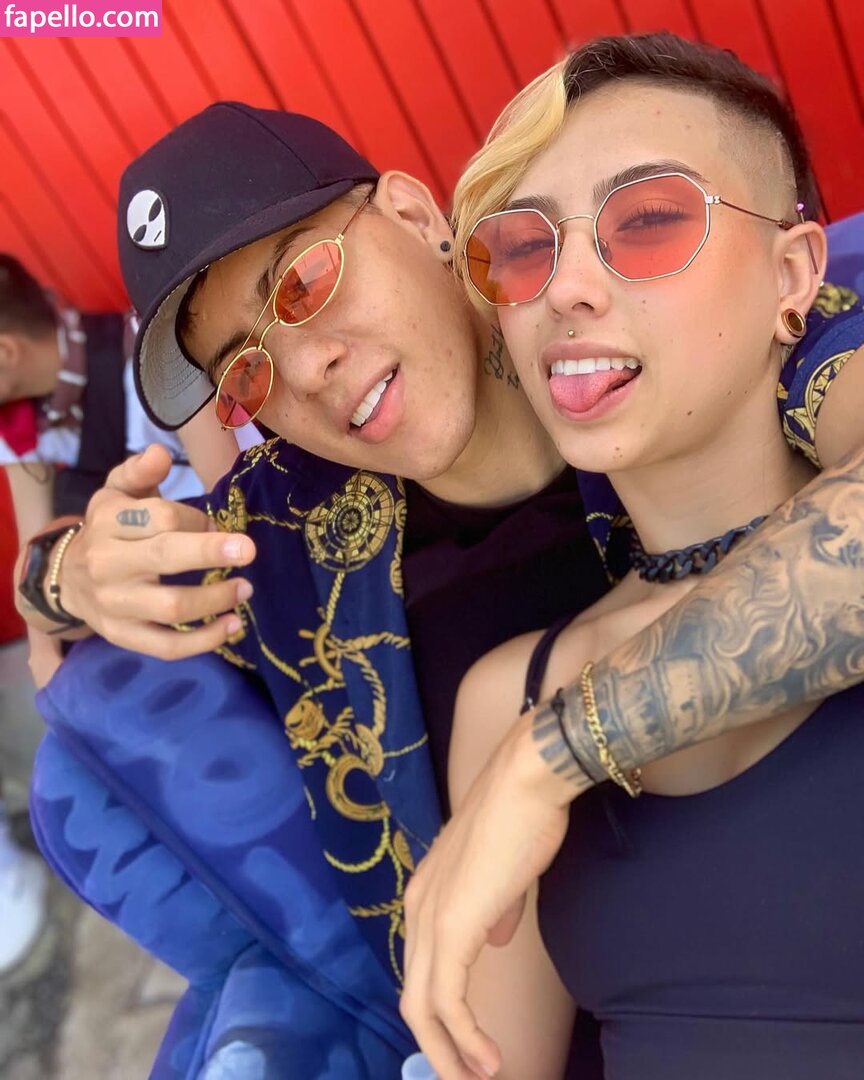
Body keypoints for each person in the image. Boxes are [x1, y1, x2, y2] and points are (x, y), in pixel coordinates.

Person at [15, 99, 864, 1074]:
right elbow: (70, 593)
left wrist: (543, 758)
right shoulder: (288, 527)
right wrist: (63, 574)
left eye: (304, 282)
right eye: (244, 372)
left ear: (417, 217)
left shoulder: (631, 318)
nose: (307, 369)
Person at [400, 33, 864, 1080]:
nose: (564, 287)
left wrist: (550, 761)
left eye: (648, 222)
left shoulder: (532, 736)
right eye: (522, 249)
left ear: (792, 275)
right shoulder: (509, 695)